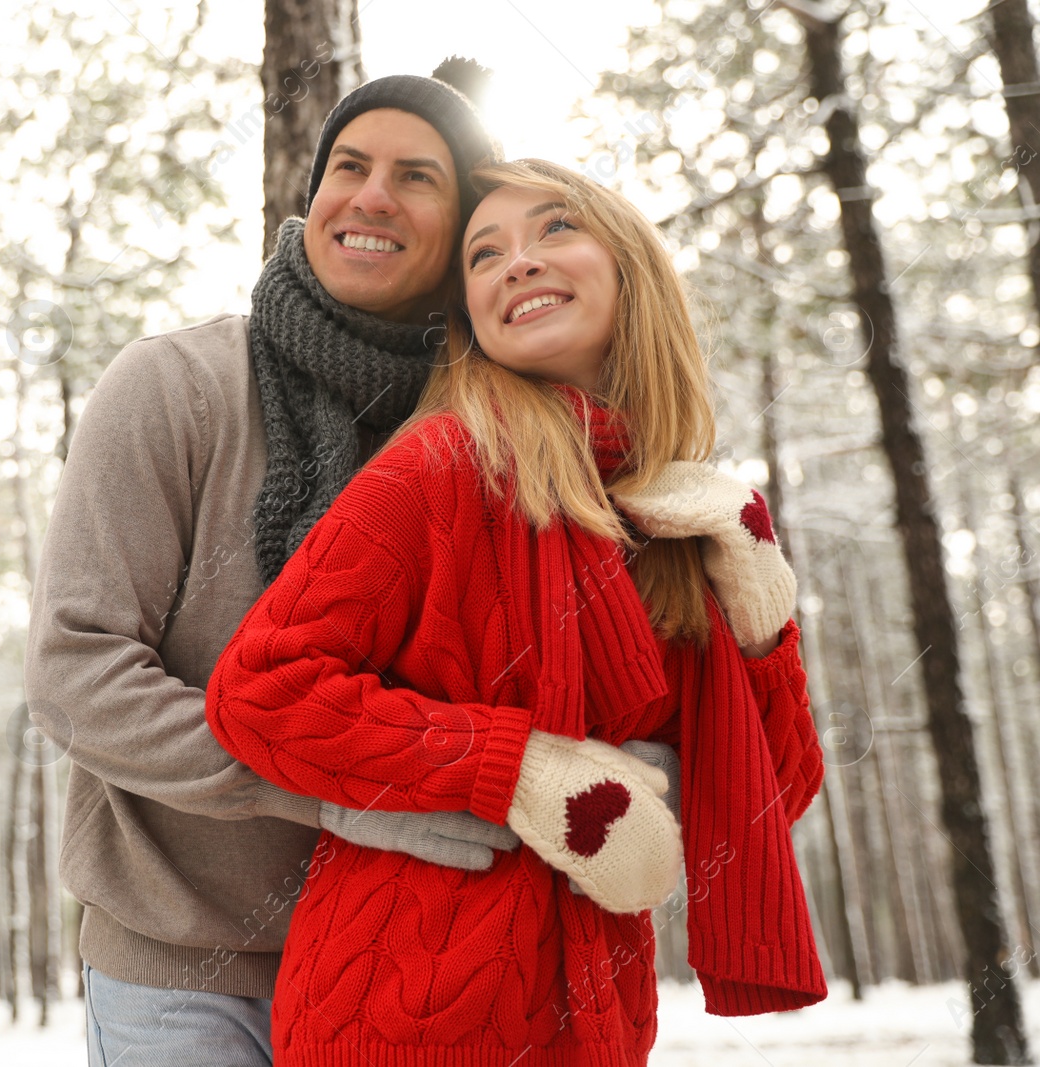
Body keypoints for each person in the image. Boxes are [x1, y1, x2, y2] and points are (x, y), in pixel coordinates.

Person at [204, 158, 829, 1066]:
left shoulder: (672, 512)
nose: (518, 261)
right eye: (485, 254)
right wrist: (519, 768)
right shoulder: (442, 467)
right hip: (402, 1009)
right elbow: (260, 690)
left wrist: (762, 606)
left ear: (631, 268)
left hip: (596, 1018)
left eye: (555, 229)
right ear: (471, 319)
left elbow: (770, 796)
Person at [25, 69, 510, 1066]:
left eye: (416, 175)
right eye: (349, 165)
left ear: (462, 224)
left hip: (417, 951)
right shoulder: (176, 386)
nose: (371, 195)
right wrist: (332, 782)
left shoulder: (498, 428)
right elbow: (77, 674)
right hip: (181, 962)